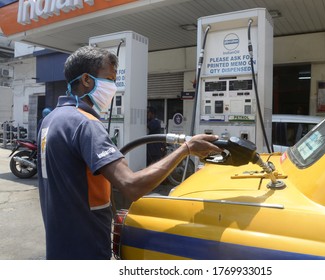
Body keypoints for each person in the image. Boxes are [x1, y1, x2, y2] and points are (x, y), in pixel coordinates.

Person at [37, 46, 222, 260]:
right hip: (87, 252)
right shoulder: (85, 124)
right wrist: (186, 149)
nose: (113, 87)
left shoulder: (50, 120)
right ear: (86, 80)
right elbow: (131, 186)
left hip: (58, 249)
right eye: (109, 78)